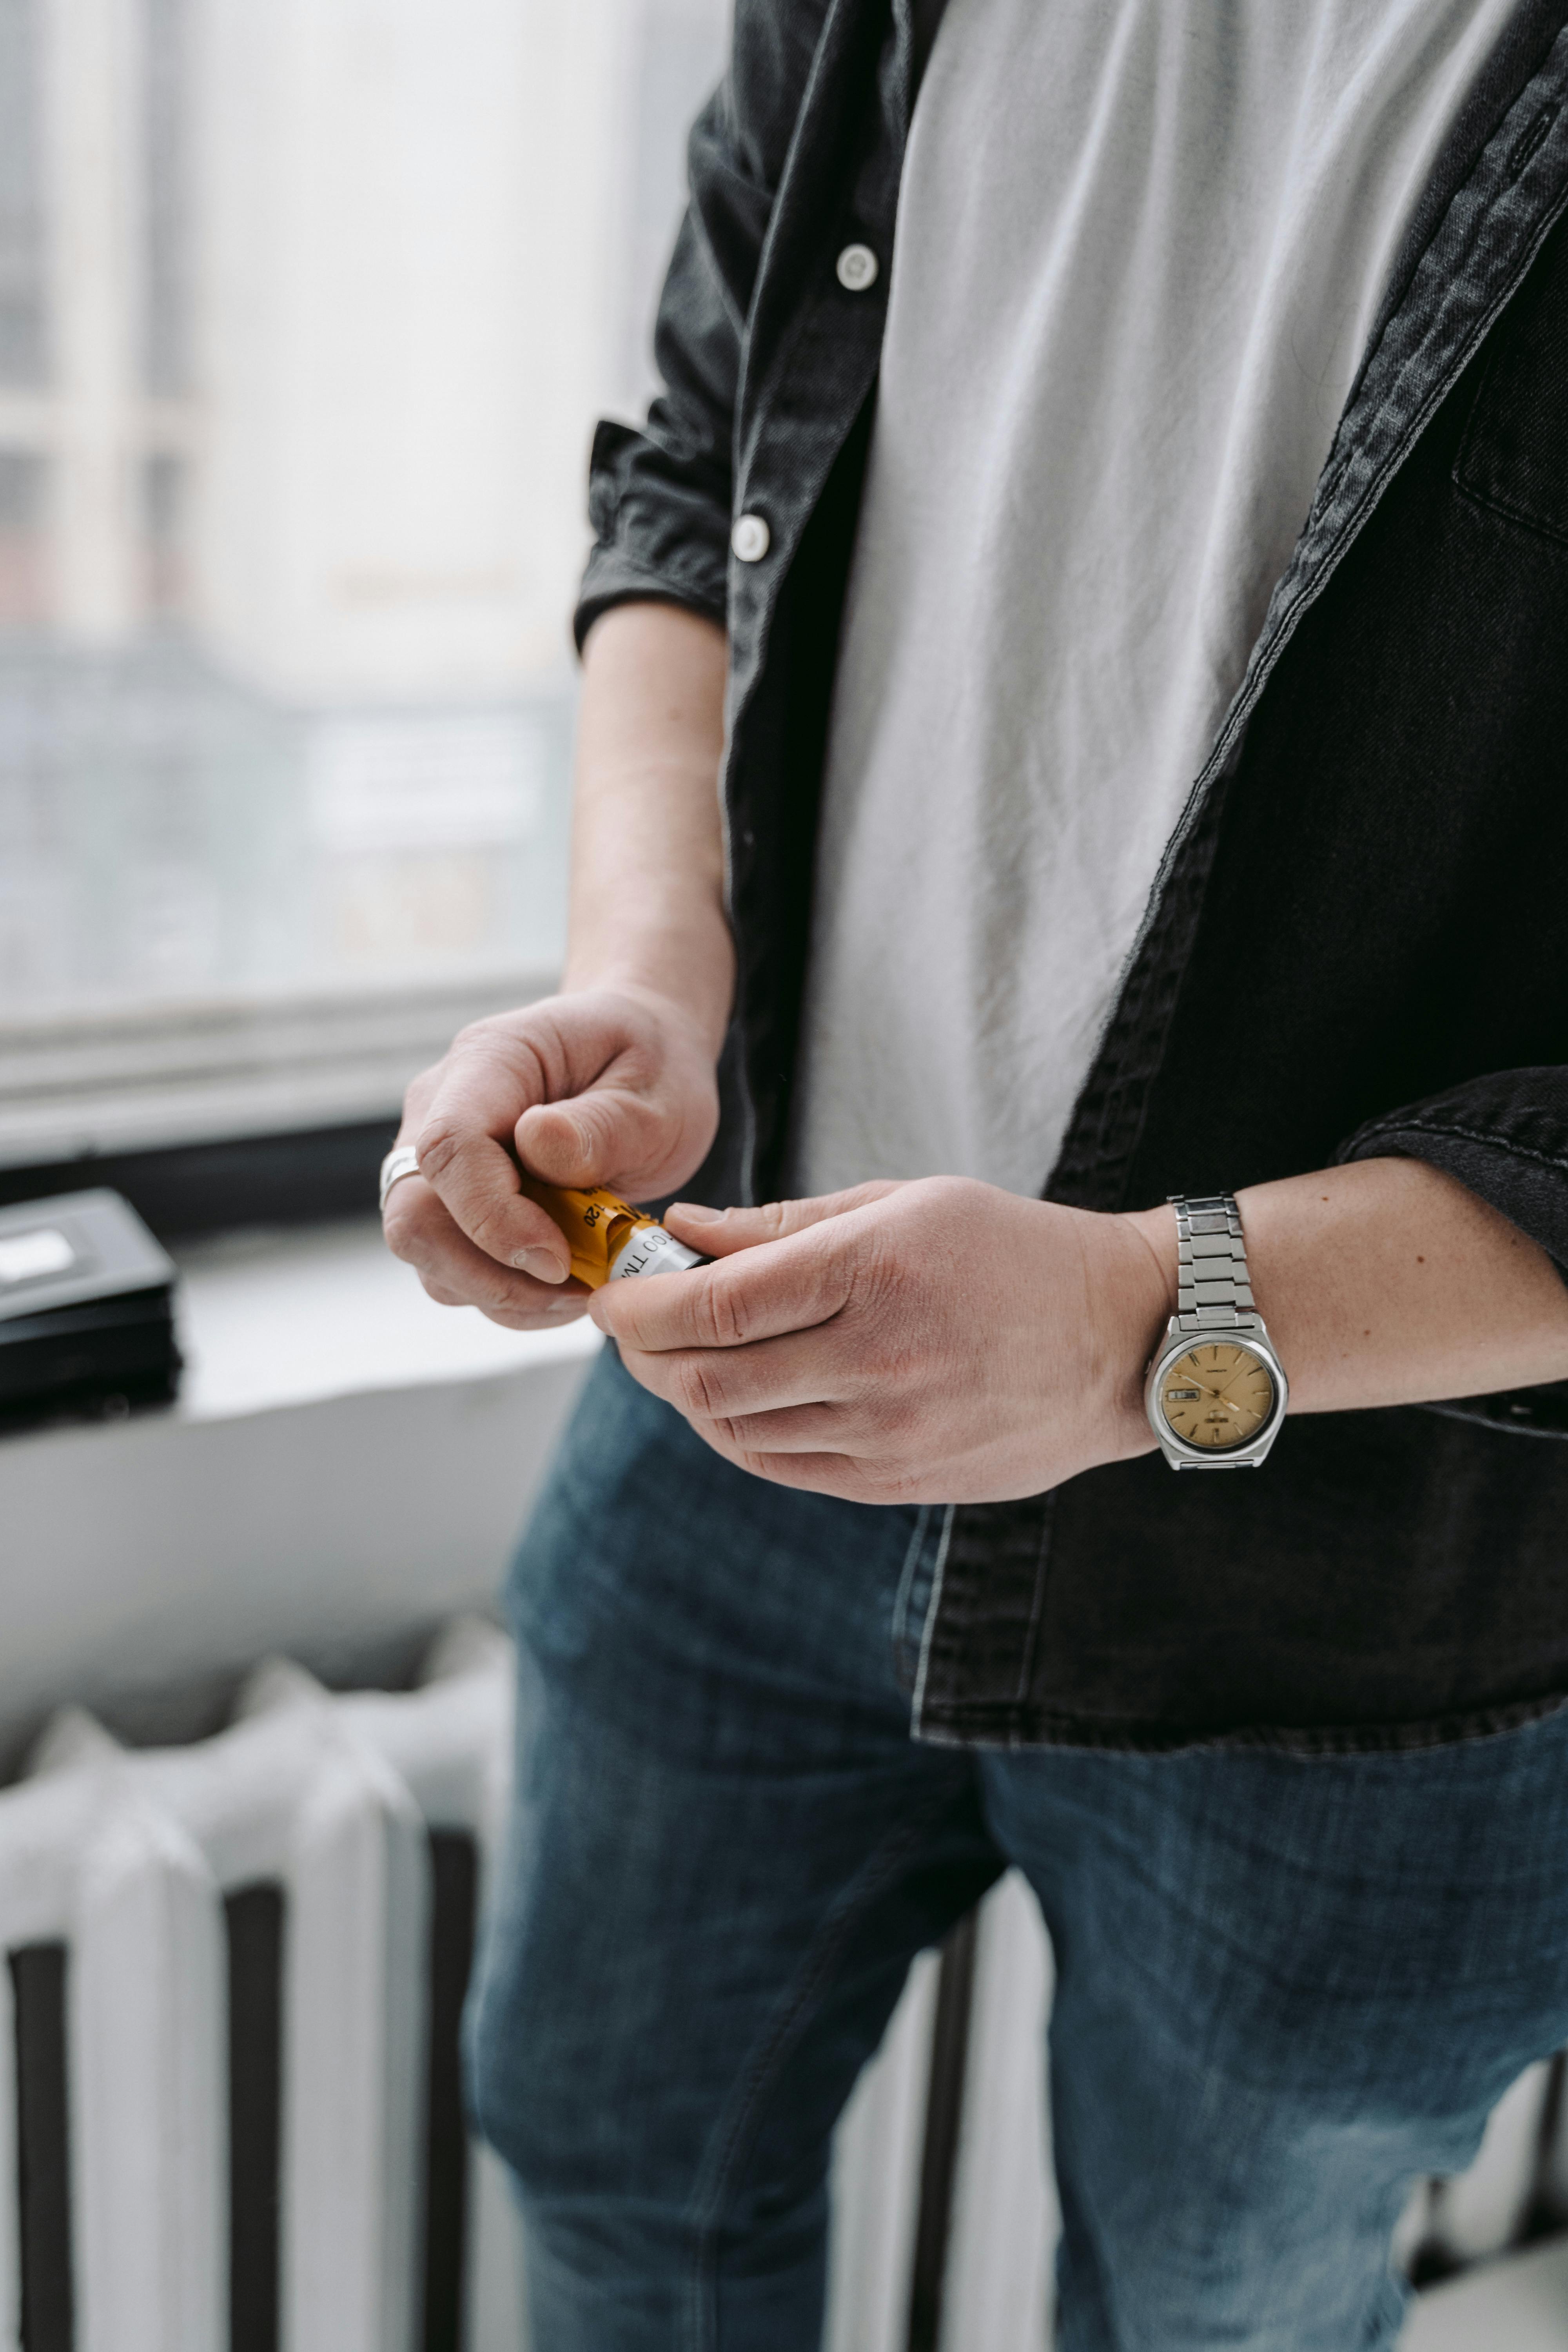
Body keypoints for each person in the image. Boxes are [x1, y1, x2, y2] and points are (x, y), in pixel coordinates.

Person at [382, 0, 1568, 2342]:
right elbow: (696, 468)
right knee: (607, 2152)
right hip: (730, 1392)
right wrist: (652, 979)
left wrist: (1154, 1322)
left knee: (1218, 2309)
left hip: (1377, 1577)